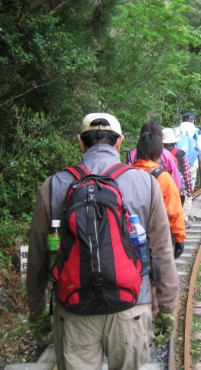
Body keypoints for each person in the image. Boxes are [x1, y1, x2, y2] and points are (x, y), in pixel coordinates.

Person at [27, 113, 178, 370]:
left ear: (80, 142)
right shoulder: (146, 183)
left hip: (74, 309)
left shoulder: (53, 186)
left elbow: (38, 260)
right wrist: (166, 309)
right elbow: (163, 252)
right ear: (120, 143)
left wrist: (37, 310)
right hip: (131, 308)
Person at [133, 131, 186, 317]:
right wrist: (179, 237)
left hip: (132, 233)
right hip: (158, 233)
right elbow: (174, 211)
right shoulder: (163, 178)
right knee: (159, 268)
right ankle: (156, 305)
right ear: (158, 154)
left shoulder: (127, 175)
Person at [126, 121, 182, 194]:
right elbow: (176, 181)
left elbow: (127, 177)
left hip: (136, 195)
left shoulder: (132, 154)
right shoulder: (166, 154)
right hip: (161, 196)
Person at [175, 112, 201, 217]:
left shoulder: (176, 130)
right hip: (191, 164)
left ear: (182, 120)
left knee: (176, 189)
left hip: (176, 164)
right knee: (188, 190)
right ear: (193, 121)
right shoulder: (197, 132)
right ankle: (184, 217)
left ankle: (175, 214)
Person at [161, 128, 193, 207]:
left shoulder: (157, 153)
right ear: (174, 141)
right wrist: (189, 191)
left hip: (162, 191)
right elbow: (187, 173)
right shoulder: (180, 153)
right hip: (178, 190)